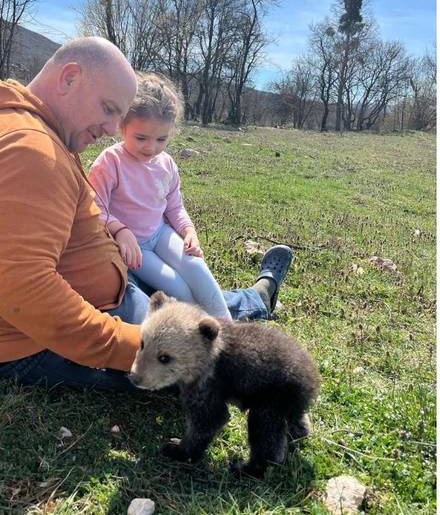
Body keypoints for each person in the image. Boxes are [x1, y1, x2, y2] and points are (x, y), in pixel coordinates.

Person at [0, 37, 292, 391]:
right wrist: (137, 348)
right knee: (196, 369)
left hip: (112, 297)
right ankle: (254, 304)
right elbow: (23, 290)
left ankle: (255, 298)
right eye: (108, 108)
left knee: (184, 307)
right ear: (69, 78)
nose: (111, 129)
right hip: (39, 340)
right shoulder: (33, 150)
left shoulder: (32, 125)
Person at [88, 72, 231, 320]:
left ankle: (229, 330)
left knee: (196, 267)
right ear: (122, 125)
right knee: (178, 288)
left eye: (161, 139)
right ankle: (204, 335)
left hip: (161, 233)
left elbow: (174, 206)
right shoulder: (110, 162)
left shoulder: (166, 164)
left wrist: (188, 231)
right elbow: (93, 207)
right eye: (141, 138)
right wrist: (119, 230)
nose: (151, 148)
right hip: (136, 248)